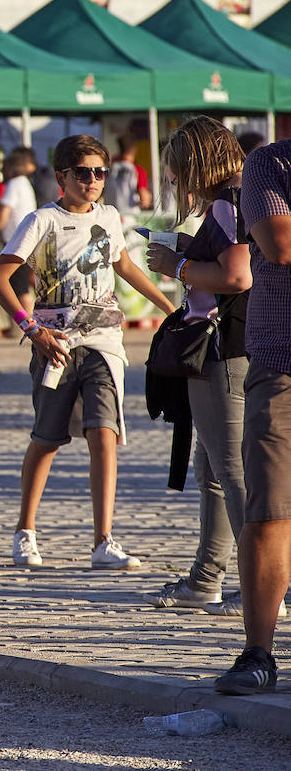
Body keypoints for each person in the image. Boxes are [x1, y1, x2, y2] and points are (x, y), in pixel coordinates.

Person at [0, 134, 175, 569]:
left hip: (105, 342)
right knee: (47, 438)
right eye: (83, 173)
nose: (93, 181)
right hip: (55, 344)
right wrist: (32, 331)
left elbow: (123, 265)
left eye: (100, 173)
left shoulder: (109, 216)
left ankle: (103, 540)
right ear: (61, 177)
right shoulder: (40, 221)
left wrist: (168, 307)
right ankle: (25, 532)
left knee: (104, 434)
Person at [141, 118, 256, 615]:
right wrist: (188, 247)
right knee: (212, 467)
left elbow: (237, 274)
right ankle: (207, 577)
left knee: (234, 473)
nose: (174, 184)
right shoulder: (233, 202)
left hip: (225, 352)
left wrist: (177, 267)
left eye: (175, 173)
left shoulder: (228, 204)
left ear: (194, 163)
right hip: (225, 351)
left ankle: (262, 584)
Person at [212, 136, 291, 695]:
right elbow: (280, 243)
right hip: (282, 359)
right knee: (268, 510)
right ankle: (258, 653)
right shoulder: (270, 161)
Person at [0, 147, 39, 313]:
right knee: (25, 285)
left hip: (16, 241)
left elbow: (5, 210)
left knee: (19, 287)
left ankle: (30, 326)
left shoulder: (14, 184)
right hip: (27, 239)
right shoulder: (26, 183)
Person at [103, 134, 151, 214]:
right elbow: (144, 199)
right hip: (130, 216)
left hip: (111, 214)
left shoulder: (108, 168)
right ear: (135, 149)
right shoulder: (137, 170)